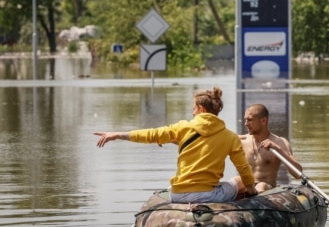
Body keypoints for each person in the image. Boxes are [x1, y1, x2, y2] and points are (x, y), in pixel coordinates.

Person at [94, 87, 257, 203]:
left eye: (193, 108)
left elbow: (151, 134)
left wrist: (117, 135)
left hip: (178, 195)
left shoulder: (183, 128)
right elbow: (244, 169)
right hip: (208, 195)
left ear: (200, 109)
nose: (192, 112)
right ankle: (234, 206)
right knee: (239, 181)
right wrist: (252, 192)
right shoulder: (230, 137)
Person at [234, 104, 302, 194]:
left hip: (267, 190)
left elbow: (297, 173)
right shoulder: (240, 141)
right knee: (235, 181)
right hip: (246, 186)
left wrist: (277, 149)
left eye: (249, 120)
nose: (246, 124)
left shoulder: (280, 142)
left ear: (263, 121)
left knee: (261, 185)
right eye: (245, 120)